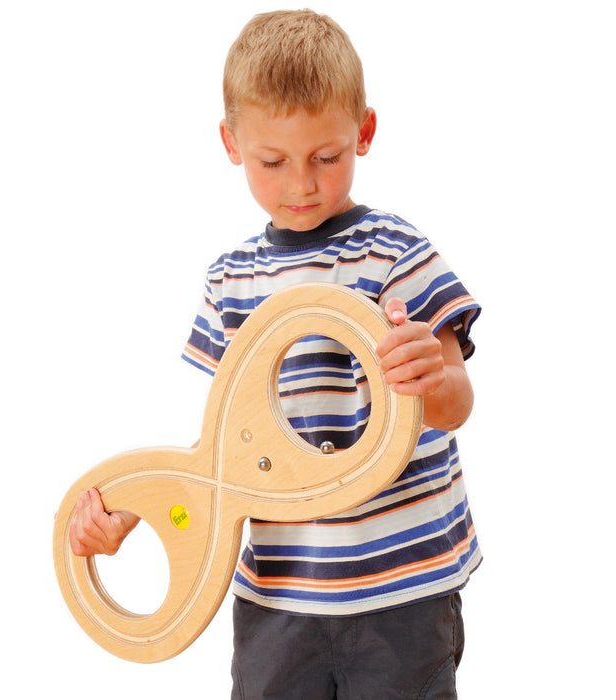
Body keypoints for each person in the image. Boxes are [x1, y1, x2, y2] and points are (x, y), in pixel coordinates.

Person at [70, 9, 481, 698]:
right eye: (273, 161)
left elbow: (457, 399)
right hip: (279, 593)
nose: (302, 184)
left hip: (402, 590)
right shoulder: (230, 280)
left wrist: (431, 375)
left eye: (327, 156)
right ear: (231, 143)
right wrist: (131, 514)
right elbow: (223, 455)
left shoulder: (395, 255)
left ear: (365, 133)